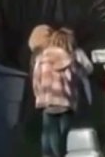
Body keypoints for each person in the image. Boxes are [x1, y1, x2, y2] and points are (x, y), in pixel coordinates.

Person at [32, 29, 84, 157]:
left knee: (48, 134)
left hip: (47, 101)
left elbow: (36, 80)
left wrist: (39, 96)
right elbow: (73, 81)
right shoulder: (70, 60)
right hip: (65, 102)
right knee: (63, 137)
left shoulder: (41, 59)